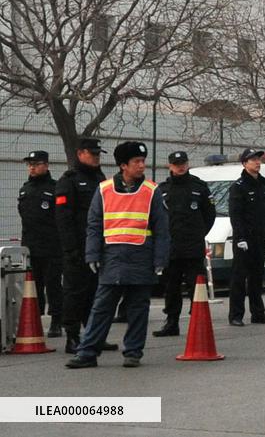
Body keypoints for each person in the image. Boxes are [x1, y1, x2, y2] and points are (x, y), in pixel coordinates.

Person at [65, 142, 169, 369]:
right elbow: (94, 224)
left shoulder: (151, 191)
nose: (142, 166)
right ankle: (87, 353)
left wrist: (160, 260)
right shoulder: (104, 189)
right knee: (101, 308)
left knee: (137, 309)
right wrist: (91, 254)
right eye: (136, 162)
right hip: (112, 258)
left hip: (141, 258)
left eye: (143, 161)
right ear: (123, 165)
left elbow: (162, 229)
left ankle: (133, 353)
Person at [55, 137, 117, 354]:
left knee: (97, 294)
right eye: (93, 154)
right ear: (80, 154)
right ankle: (72, 337)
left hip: (100, 247)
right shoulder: (69, 181)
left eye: (98, 154)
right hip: (78, 248)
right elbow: (63, 219)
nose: (96, 157)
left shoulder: (100, 179)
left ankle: (95, 335)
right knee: (74, 293)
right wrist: (70, 249)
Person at [152, 151, 216, 337]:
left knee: (196, 286)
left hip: (193, 248)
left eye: (183, 163)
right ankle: (171, 323)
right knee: (171, 288)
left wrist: (198, 233)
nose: (180, 166)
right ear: (170, 166)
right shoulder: (162, 189)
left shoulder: (199, 187)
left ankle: (199, 322)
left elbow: (209, 215)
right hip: (171, 248)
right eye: (176, 163)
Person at [228, 148, 265, 326]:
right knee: (239, 278)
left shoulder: (263, 183)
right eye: (252, 160)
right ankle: (236, 315)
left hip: (259, 238)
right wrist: (240, 237)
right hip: (244, 240)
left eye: (258, 159)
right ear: (244, 163)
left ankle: (258, 313)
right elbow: (236, 215)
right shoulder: (239, 186)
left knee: (257, 277)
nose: (257, 162)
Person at [17, 150, 63, 338]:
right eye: (30, 164)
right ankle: (34, 319)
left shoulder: (55, 188)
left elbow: (60, 218)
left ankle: (56, 321)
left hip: (51, 246)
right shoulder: (25, 189)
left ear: (46, 165)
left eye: (36, 164)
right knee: (32, 286)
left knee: (53, 285)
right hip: (30, 246)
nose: (32, 168)